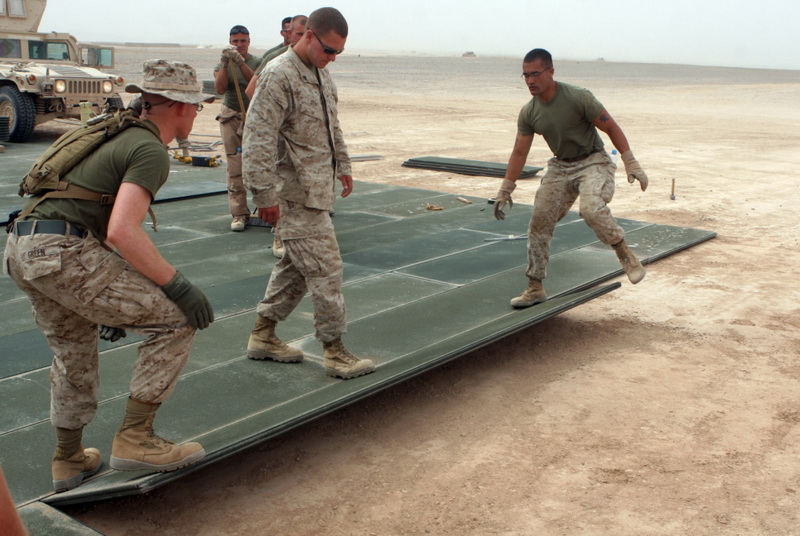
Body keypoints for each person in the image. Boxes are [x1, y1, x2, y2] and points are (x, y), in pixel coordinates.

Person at [4, 59, 216, 492]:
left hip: (23, 248)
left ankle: (68, 459)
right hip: (62, 251)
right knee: (174, 320)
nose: (198, 114)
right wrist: (180, 288)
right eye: (195, 106)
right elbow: (122, 230)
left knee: (73, 350)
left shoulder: (114, 131)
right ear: (177, 106)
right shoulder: (149, 149)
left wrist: (97, 298)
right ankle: (136, 439)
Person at [242, 7, 375, 380]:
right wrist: (263, 196)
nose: (332, 59)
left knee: (296, 269)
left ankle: (263, 336)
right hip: (293, 195)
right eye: (328, 50)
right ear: (309, 35)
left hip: (318, 190)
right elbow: (257, 140)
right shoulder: (278, 75)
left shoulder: (321, 76)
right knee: (326, 270)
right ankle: (334, 350)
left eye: (338, 54)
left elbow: (334, 127)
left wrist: (344, 167)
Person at [494, 48, 649, 308]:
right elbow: (520, 150)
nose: (530, 81)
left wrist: (629, 161)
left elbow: (610, 125)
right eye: (525, 76)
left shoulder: (579, 98)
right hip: (560, 167)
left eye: (535, 74)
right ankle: (535, 287)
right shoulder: (529, 112)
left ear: (550, 72)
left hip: (594, 161)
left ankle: (625, 254)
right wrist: (505, 189)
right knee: (539, 223)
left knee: (590, 210)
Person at [214, 25, 260, 232]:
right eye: (235, 41)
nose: (239, 45)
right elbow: (220, 88)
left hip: (255, 118)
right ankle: (239, 213)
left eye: (243, 41)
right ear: (230, 42)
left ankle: (265, 208)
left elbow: (255, 82)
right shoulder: (221, 64)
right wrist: (226, 64)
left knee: (261, 165)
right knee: (235, 166)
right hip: (231, 116)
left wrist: (241, 63)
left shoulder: (257, 62)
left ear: (248, 42)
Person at [245, 15, 308, 100]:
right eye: (300, 34)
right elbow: (251, 90)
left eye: (307, 34)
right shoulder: (273, 56)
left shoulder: (314, 60)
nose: (303, 38)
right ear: (289, 33)